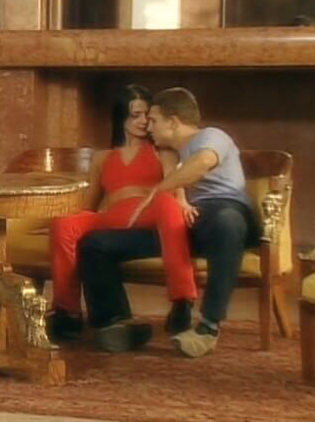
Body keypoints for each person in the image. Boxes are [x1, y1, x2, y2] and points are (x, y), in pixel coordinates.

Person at [80, 87, 259, 358]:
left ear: (173, 122)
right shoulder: (170, 154)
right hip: (186, 225)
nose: (148, 126)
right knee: (95, 244)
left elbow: (202, 163)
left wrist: (159, 189)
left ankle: (208, 327)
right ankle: (115, 322)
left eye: (153, 120)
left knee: (226, 222)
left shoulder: (211, 136)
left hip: (224, 210)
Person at [49, 85, 197, 349]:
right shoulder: (103, 158)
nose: (142, 121)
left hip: (149, 213)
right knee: (65, 222)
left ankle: (182, 301)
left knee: (167, 201)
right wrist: (65, 218)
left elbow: (175, 182)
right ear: (121, 118)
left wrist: (182, 201)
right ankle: (67, 312)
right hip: (114, 216)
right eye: (135, 115)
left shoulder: (162, 151)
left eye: (147, 115)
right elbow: (89, 205)